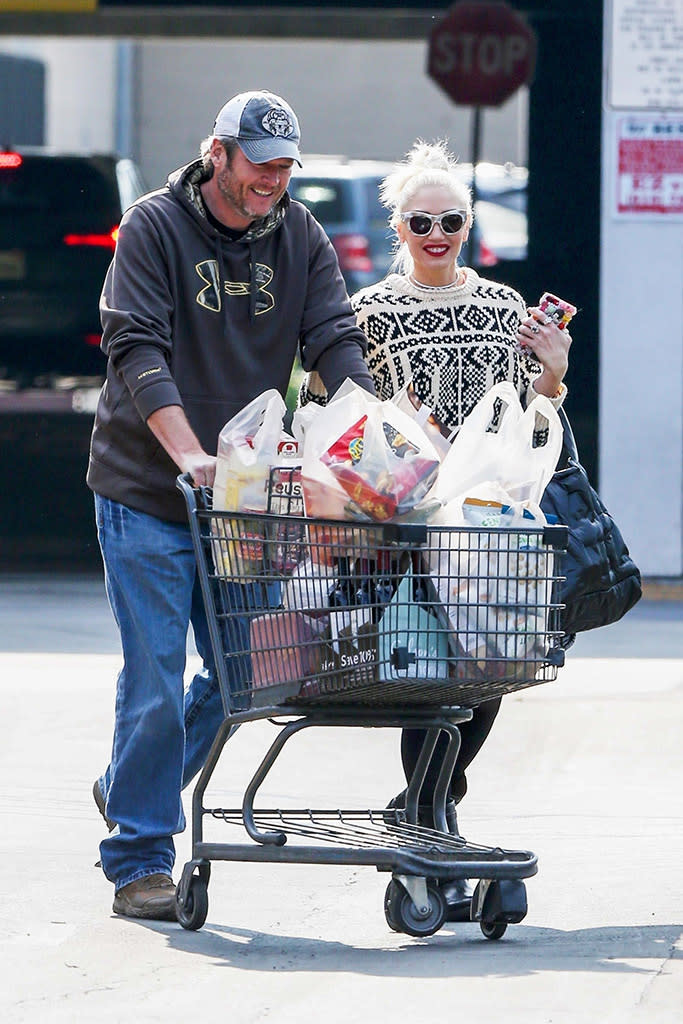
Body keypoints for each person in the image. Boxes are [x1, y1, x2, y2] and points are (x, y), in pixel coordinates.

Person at [87, 90, 375, 921]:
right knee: (154, 680)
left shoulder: (301, 234)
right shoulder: (152, 226)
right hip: (146, 492)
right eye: (260, 165)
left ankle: (125, 786)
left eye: (286, 167)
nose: (273, 182)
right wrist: (190, 457)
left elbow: (333, 342)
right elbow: (135, 346)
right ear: (218, 152)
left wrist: (377, 444)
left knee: (246, 674)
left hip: (247, 503)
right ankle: (139, 857)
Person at [299, 139, 571, 920]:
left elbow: (532, 415)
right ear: (397, 226)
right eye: (420, 220)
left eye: (451, 219)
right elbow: (339, 416)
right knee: (430, 677)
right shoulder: (367, 314)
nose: (436, 232)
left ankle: (425, 808)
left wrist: (553, 368)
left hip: (484, 523)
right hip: (405, 523)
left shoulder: (501, 308)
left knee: (486, 673)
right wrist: (396, 428)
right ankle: (427, 822)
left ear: (468, 223)